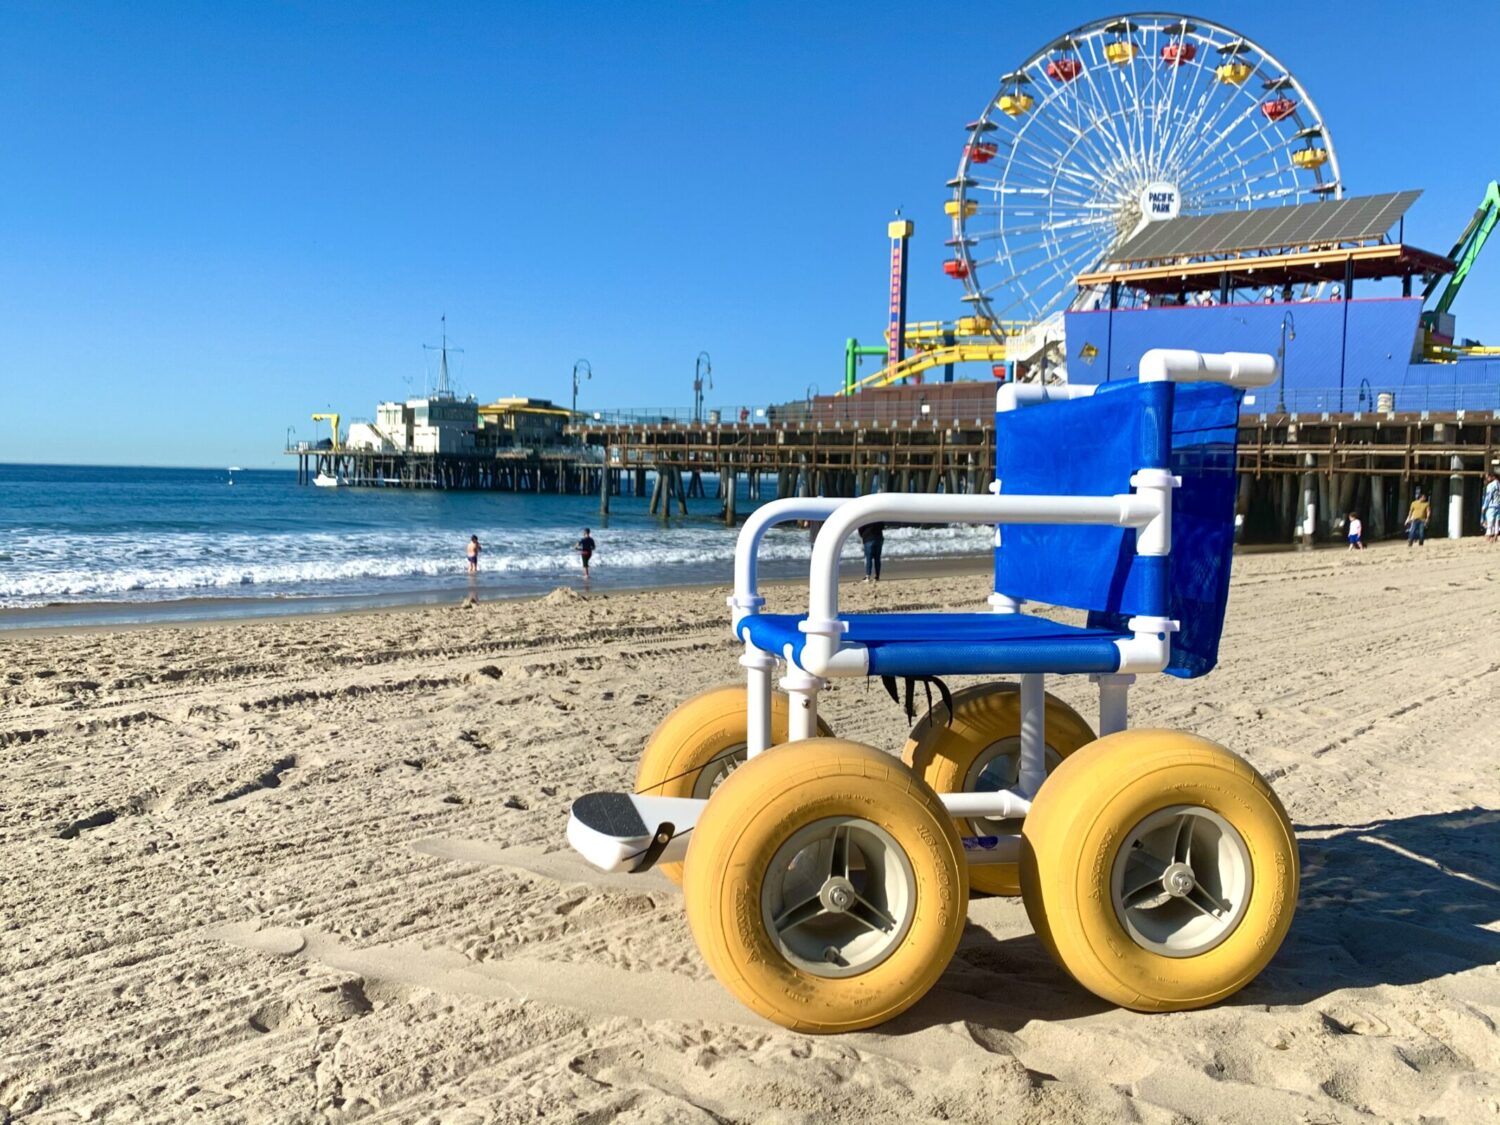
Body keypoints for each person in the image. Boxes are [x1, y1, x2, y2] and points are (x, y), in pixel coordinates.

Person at [1482, 470, 1500, 544]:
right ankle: (1495, 537)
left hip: (1491, 506)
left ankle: (1489, 537)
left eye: (1488, 477)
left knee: (1490, 522)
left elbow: (1488, 497)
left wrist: (1484, 506)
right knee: (1497, 522)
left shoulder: (1491, 485)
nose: (1487, 479)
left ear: (1492, 477)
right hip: (1498, 505)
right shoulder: (1499, 484)